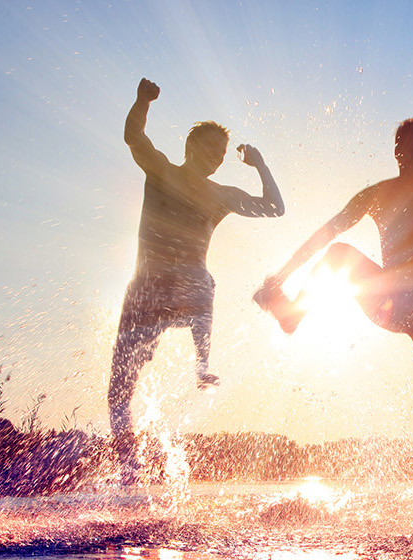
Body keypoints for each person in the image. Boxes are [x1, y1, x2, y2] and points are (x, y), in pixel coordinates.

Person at [253, 29, 413, 522]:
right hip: (391, 301)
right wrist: (283, 274)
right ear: (396, 149)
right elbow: (325, 234)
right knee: (339, 251)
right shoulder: (377, 194)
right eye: (406, 143)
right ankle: (293, 313)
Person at [110, 77, 285, 485]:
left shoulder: (219, 194)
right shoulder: (162, 171)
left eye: (222, 153)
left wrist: (259, 163)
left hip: (186, 286)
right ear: (190, 148)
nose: (217, 157)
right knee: (118, 391)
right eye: (210, 148)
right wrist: (142, 101)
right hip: (146, 290)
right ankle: (129, 469)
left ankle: (202, 362)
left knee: (201, 277)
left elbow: (274, 207)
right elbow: (133, 136)